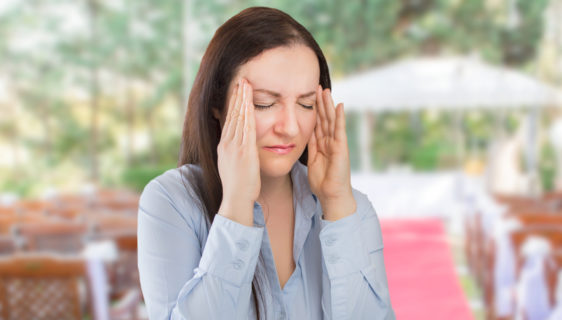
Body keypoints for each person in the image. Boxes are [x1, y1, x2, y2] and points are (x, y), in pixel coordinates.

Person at [137, 7, 395, 320]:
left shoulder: (355, 211)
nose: (289, 126)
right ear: (217, 104)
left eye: (306, 104)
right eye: (265, 103)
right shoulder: (171, 202)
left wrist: (337, 204)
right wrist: (236, 204)